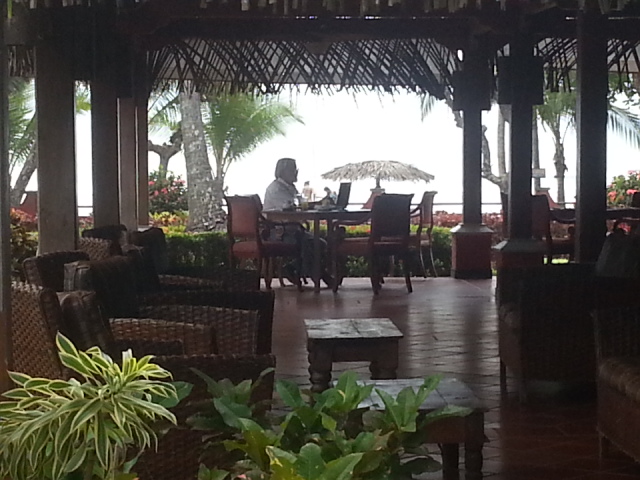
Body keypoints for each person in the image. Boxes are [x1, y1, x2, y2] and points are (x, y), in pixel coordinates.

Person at [263, 158, 332, 287]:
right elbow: (289, 208)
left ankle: (293, 269)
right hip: (279, 233)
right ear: (283, 171)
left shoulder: (290, 187)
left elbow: (299, 206)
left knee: (319, 243)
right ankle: (319, 275)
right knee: (312, 243)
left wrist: (318, 203)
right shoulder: (276, 189)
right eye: (293, 169)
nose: (296, 173)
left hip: (291, 230)